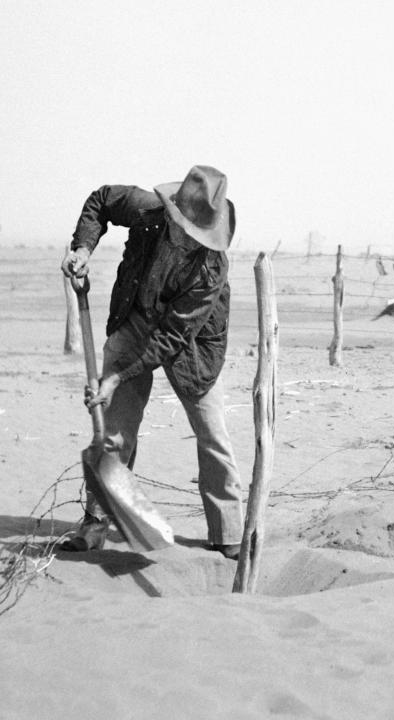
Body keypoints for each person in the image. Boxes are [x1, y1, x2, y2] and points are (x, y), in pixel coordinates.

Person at [59, 165, 244, 559]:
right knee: (114, 431)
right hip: (135, 318)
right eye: (181, 225)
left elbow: (174, 336)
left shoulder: (212, 268)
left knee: (213, 435)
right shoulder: (145, 210)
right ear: (171, 211)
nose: (185, 237)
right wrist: (82, 249)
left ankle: (227, 534)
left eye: (196, 233)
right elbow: (102, 199)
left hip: (192, 342)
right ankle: (96, 522)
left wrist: (116, 376)